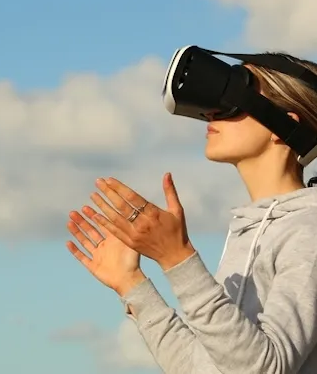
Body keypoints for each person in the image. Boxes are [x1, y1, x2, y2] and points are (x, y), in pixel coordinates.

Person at [65, 53, 317, 374]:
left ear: (282, 126)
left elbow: (263, 369)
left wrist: (177, 258)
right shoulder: (247, 233)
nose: (211, 111)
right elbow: (207, 369)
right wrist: (133, 286)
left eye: (235, 97)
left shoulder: (309, 229)